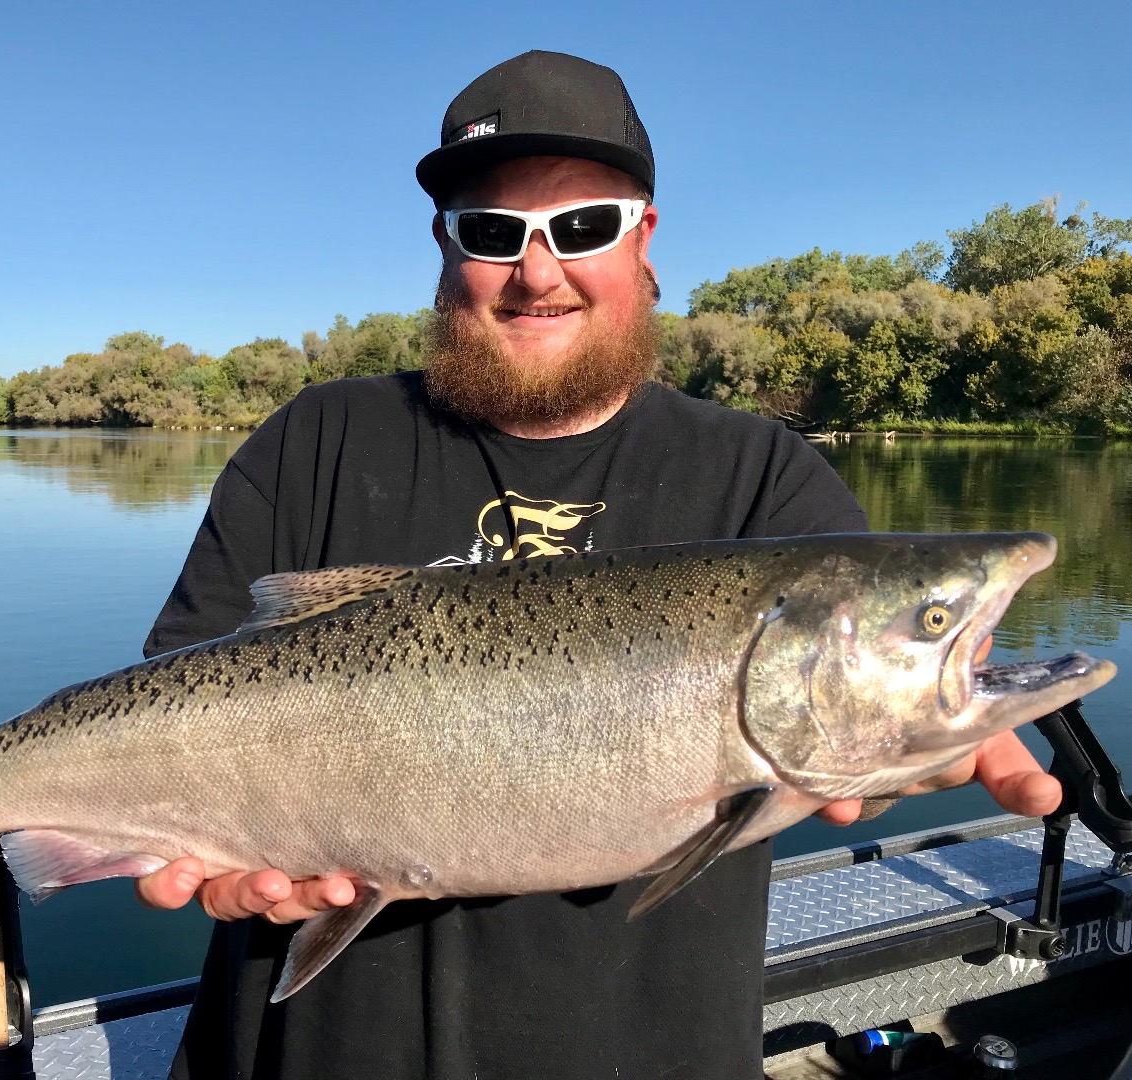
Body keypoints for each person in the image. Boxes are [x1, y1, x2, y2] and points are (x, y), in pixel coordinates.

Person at [136, 50, 1062, 1080]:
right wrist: (212, 856)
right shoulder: (315, 438)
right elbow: (177, 686)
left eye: (583, 227)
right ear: (443, 249)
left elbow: (848, 746)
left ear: (645, 239)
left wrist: (904, 756)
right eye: (493, 234)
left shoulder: (763, 479)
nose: (538, 273)